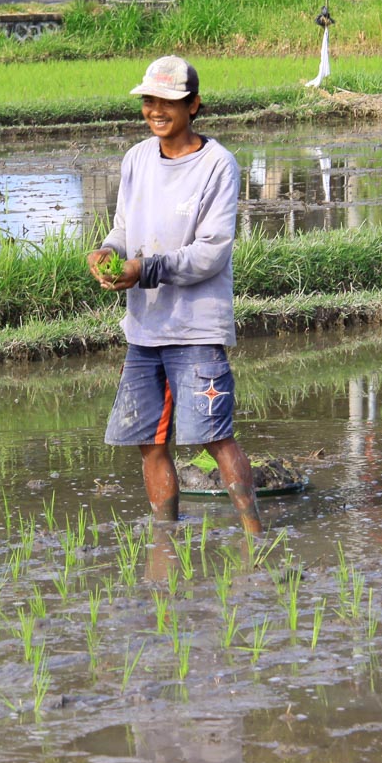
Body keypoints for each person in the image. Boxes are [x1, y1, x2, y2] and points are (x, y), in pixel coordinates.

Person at [87, 56, 263, 535]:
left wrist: (146, 268)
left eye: (167, 101)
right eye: (149, 100)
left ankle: (253, 535)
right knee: (150, 441)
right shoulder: (136, 159)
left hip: (195, 327)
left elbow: (211, 255)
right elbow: (124, 227)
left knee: (216, 438)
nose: (156, 110)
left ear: (194, 105)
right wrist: (107, 251)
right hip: (144, 329)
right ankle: (165, 536)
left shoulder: (218, 165)